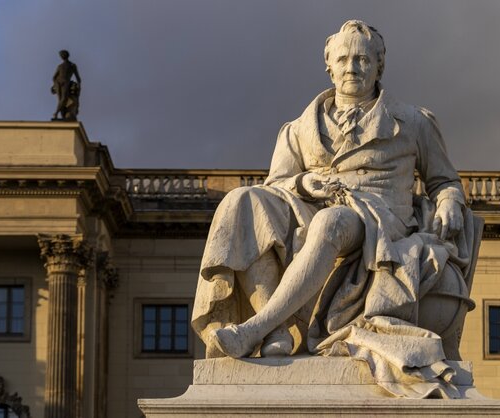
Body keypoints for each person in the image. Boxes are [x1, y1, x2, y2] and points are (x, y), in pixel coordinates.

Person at [192, 20, 478, 398]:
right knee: (242, 202)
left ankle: (255, 328)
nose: (352, 67)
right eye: (343, 59)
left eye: (362, 59)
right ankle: (276, 330)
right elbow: (276, 184)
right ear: (329, 65)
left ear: (379, 65)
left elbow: (445, 180)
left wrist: (449, 202)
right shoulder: (298, 129)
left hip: (380, 221)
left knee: (332, 221)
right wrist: (301, 183)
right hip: (310, 208)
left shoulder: (412, 122)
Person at [51, 50, 81, 120]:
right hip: (59, 83)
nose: (61, 56)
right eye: (61, 55)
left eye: (62, 55)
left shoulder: (72, 65)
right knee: (61, 99)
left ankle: (56, 113)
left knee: (63, 99)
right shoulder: (60, 66)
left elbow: (78, 77)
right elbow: (54, 77)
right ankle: (59, 114)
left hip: (65, 82)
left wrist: (79, 85)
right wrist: (55, 84)